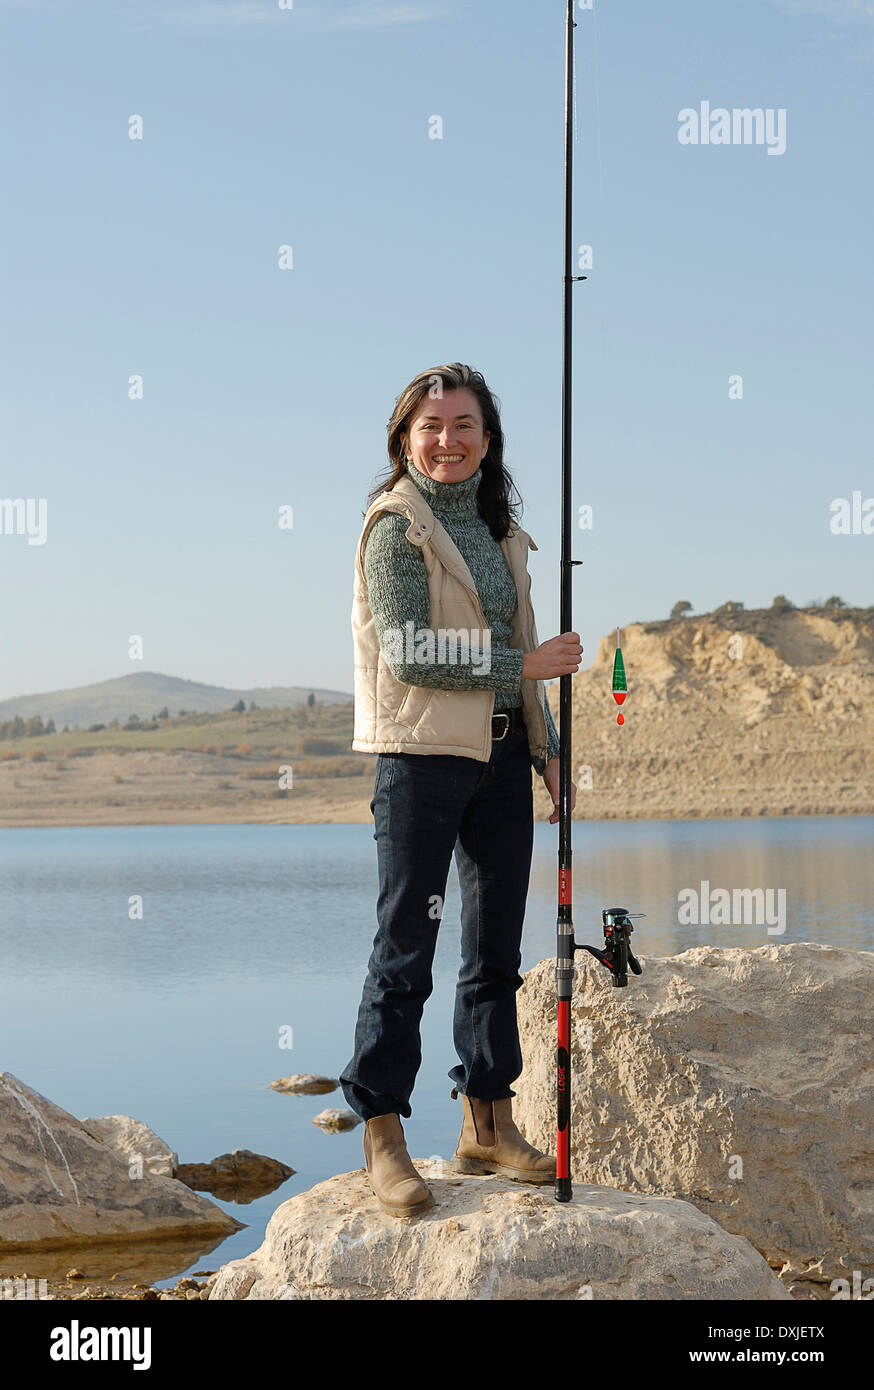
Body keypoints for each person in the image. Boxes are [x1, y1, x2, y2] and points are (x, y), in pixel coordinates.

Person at [340, 362, 581, 1217]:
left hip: (504, 763)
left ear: (488, 438)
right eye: (431, 426)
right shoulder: (393, 527)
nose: (448, 441)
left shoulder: (500, 530)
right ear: (405, 438)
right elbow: (410, 653)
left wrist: (549, 750)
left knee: (494, 956)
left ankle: (488, 1120)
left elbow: (521, 658)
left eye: (465, 425)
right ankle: (383, 1134)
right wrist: (527, 663)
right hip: (420, 761)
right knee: (405, 949)